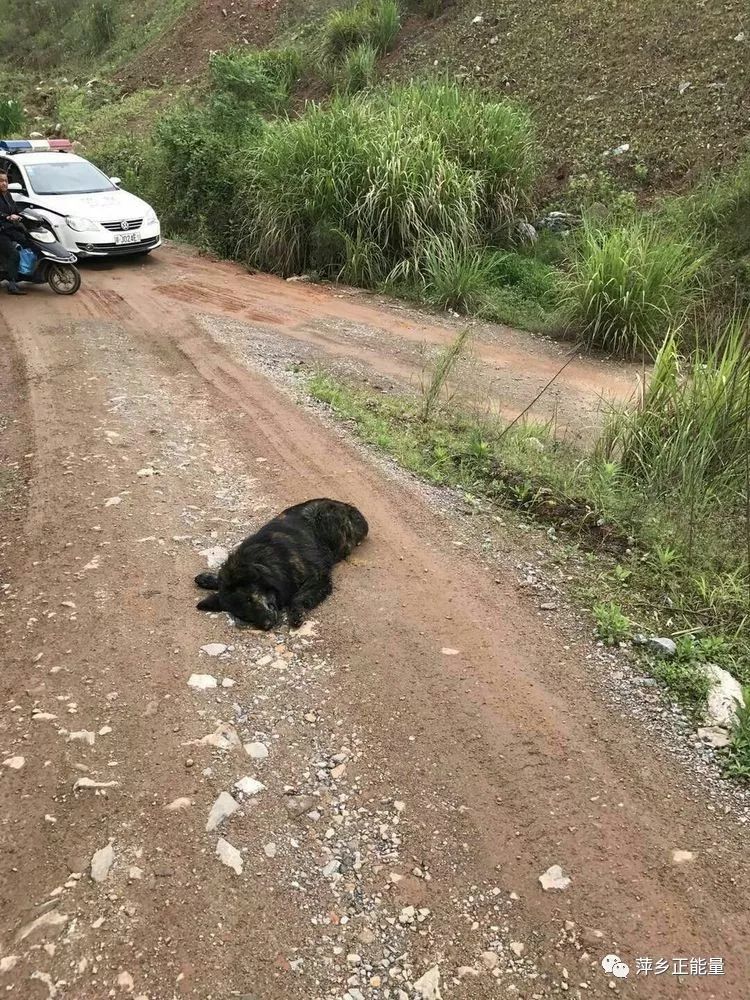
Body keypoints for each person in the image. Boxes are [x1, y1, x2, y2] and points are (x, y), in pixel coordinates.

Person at [0, 171, 29, 295]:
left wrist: (24, 214)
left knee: (29, 241)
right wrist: (7, 217)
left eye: (6, 180)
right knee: (14, 254)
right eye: (1, 181)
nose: (4, 183)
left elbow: (16, 210)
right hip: (1, 232)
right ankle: (12, 284)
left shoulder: (8, 195)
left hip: (10, 229)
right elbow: (5, 215)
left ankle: (28, 272)